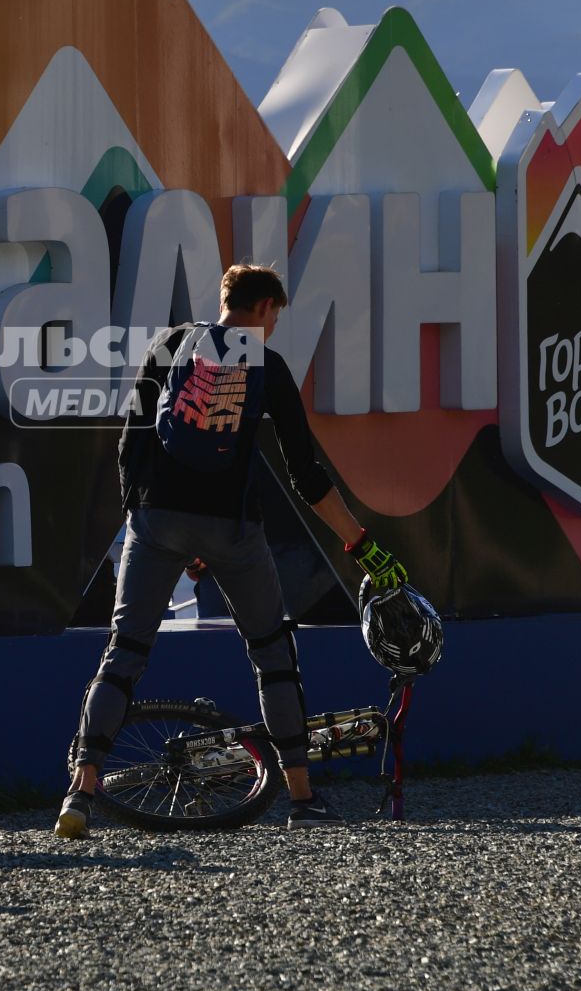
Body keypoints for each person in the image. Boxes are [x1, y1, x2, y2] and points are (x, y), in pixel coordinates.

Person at [55, 264, 413, 838]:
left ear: (224, 300)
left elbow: (130, 444)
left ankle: (81, 791)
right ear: (267, 307)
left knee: (123, 657)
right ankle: (301, 799)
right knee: (272, 652)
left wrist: (149, 522)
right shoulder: (267, 367)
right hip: (233, 529)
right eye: (277, 315)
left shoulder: (169, 346)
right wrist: (360, 544)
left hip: (156, 521)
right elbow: (306, 475)